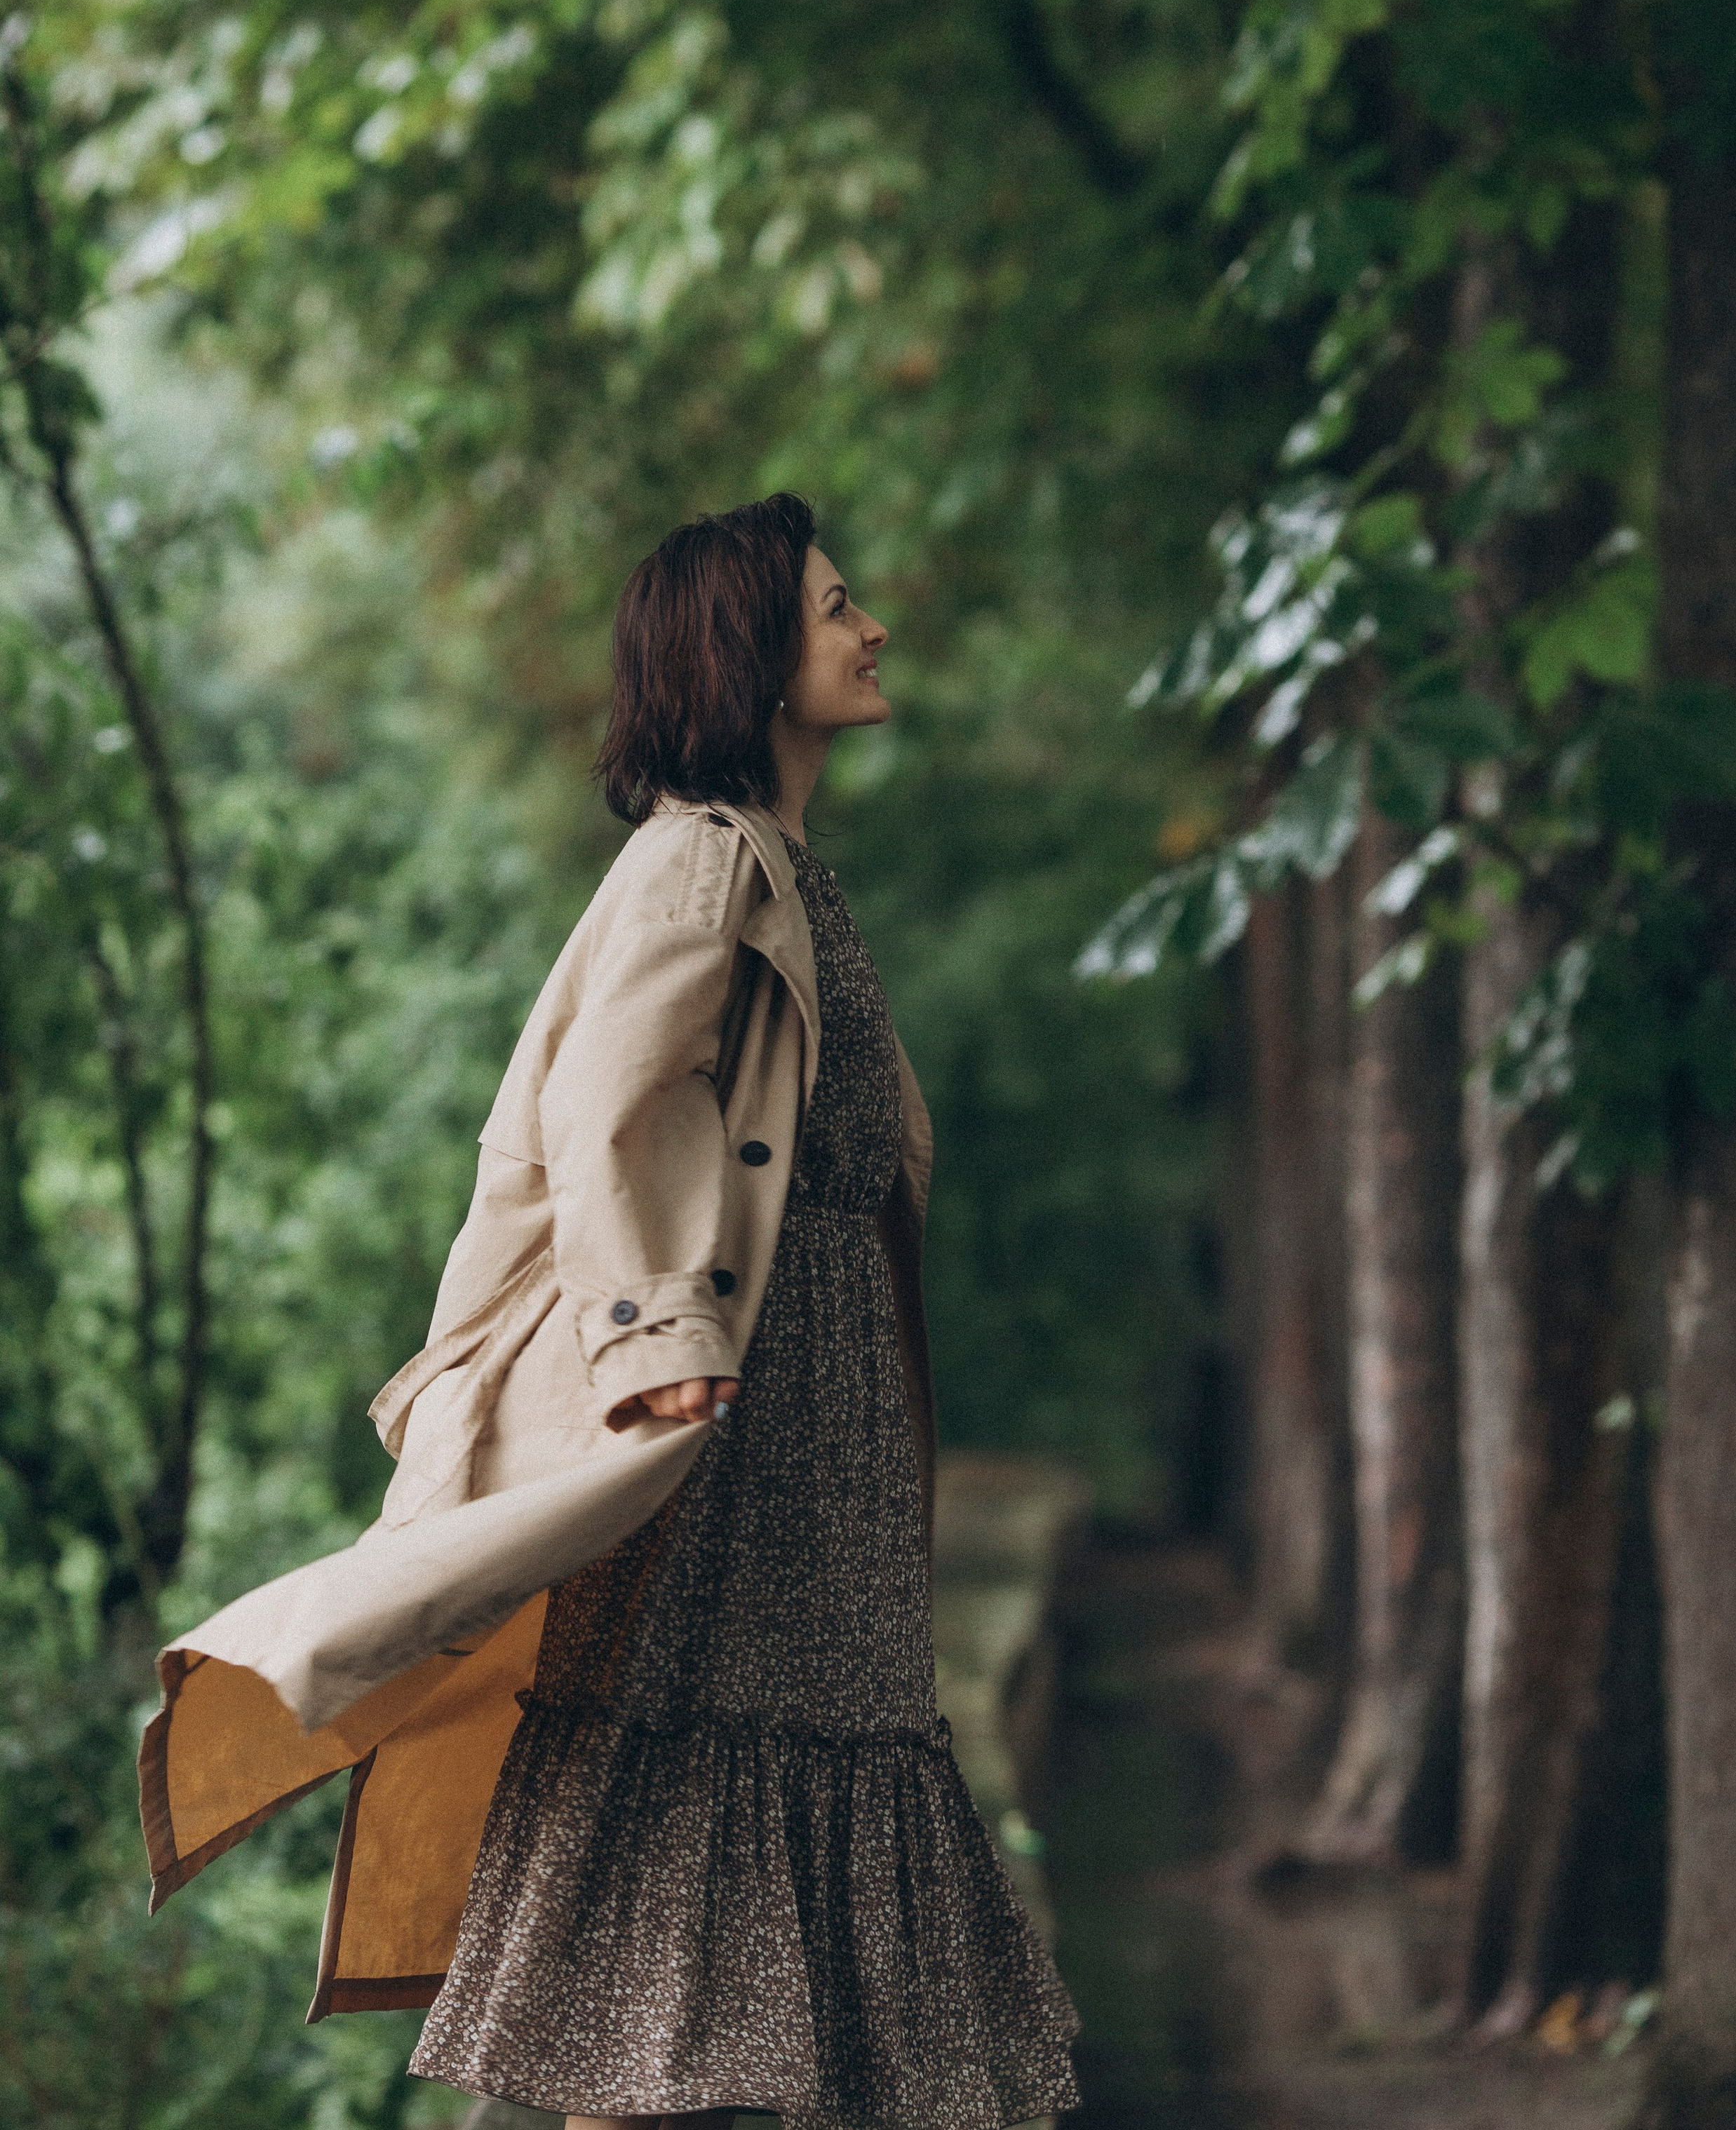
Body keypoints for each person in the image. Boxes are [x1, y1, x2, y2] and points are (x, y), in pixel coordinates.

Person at [139, 491, 1077, 2130]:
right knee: (664, 1920)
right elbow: (605, 1104)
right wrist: (661, 1345)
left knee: (762, 1917)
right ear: (751, 657)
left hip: (820, 1473)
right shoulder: (701, 861)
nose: (873, 628)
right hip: (734, 1463)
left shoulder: (784, 869)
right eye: (836, 606)